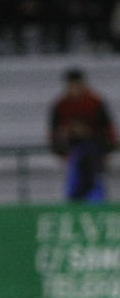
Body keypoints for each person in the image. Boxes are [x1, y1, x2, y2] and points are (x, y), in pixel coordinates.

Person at [48, 68, 115, 202]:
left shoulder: (95, 103)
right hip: (73, 153)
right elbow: (54, 131)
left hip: (94, 152)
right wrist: (61, 149)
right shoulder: (61, 105)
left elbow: (107, 129)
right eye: (71, 85)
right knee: (74, 186)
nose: (74, 89)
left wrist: (105, 148)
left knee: (94, 185)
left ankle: (95, 206)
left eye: (76, 85)